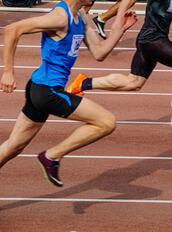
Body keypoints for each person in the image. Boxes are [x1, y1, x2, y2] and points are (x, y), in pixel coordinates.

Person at [0, 0, 137, 187]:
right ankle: (52, 156)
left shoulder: (81, 17)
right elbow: (12, 30)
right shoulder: (60, 17)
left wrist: (119, 30)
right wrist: (8, 72)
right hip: (47, 91)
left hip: (40, 88)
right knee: (106, 122)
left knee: (13, 146)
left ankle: (51, 156)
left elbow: (99, 52)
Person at [66, 0, 172, 125]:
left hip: (151, 39)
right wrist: (118, 23)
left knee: (133, 82)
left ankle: (83, 83)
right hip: (154, 40)